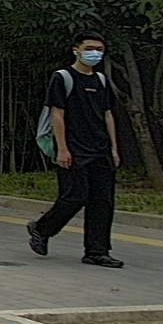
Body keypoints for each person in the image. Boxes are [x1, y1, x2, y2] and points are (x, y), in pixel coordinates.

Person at [28, 31, 124, 268]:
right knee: (74, 196)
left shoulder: (101, 80)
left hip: (100, 149)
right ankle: (42, 228)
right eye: (89, 48)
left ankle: (97, 251)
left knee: (103, 202)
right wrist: (62, 149)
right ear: (76, 50)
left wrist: (114, 148)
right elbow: (57, 114)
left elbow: (108, 114)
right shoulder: (63, 77)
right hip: (74, 149)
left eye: (99, 50)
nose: (95, 53)